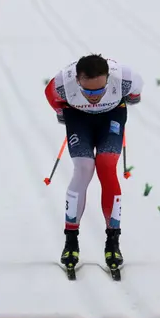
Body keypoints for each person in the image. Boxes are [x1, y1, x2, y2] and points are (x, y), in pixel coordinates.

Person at [44, 54, 143, 273]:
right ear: (76, 81)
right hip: (78, 118)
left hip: (112, 116)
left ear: (109, 78)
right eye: (87, 91)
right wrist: (63, 114)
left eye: (99, 90)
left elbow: (135, 94)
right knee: (84, 168)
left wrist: (127, 101)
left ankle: (113, 241)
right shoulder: (61, 83)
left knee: (107, 167)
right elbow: (51, 98)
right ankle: (71, 240)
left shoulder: (126, 77)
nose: (94, 97)